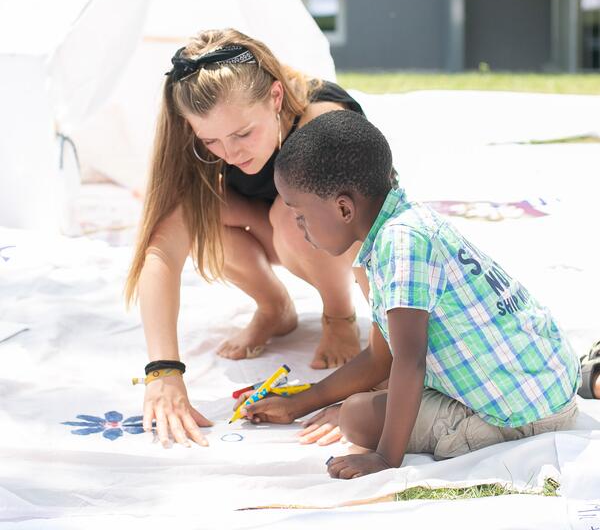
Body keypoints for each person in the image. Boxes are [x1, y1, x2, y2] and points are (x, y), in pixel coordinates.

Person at [242, 110, 581, 479]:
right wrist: (297, 405)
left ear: (343, 207)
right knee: (373, 395)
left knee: (355, 416)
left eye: (300, 214)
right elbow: (379, 358)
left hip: (524, 414)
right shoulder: (407, 223)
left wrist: (386, 458)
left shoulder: (399, 246)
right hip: (548, 380)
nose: (299, 226)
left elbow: (408, 362)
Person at [124, 28, 365, 447]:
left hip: (329, 236)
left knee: (291, 214)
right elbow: (161, 252)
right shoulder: (202, 139)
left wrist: (380, 377)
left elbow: (386, 235)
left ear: (275, 98)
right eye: (210, 140)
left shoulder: (324, 124)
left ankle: (338, 313)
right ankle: (274, 307)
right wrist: (163, 370)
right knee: (195, 216)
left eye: (242, 134)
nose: (230, 153)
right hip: (267, 229)